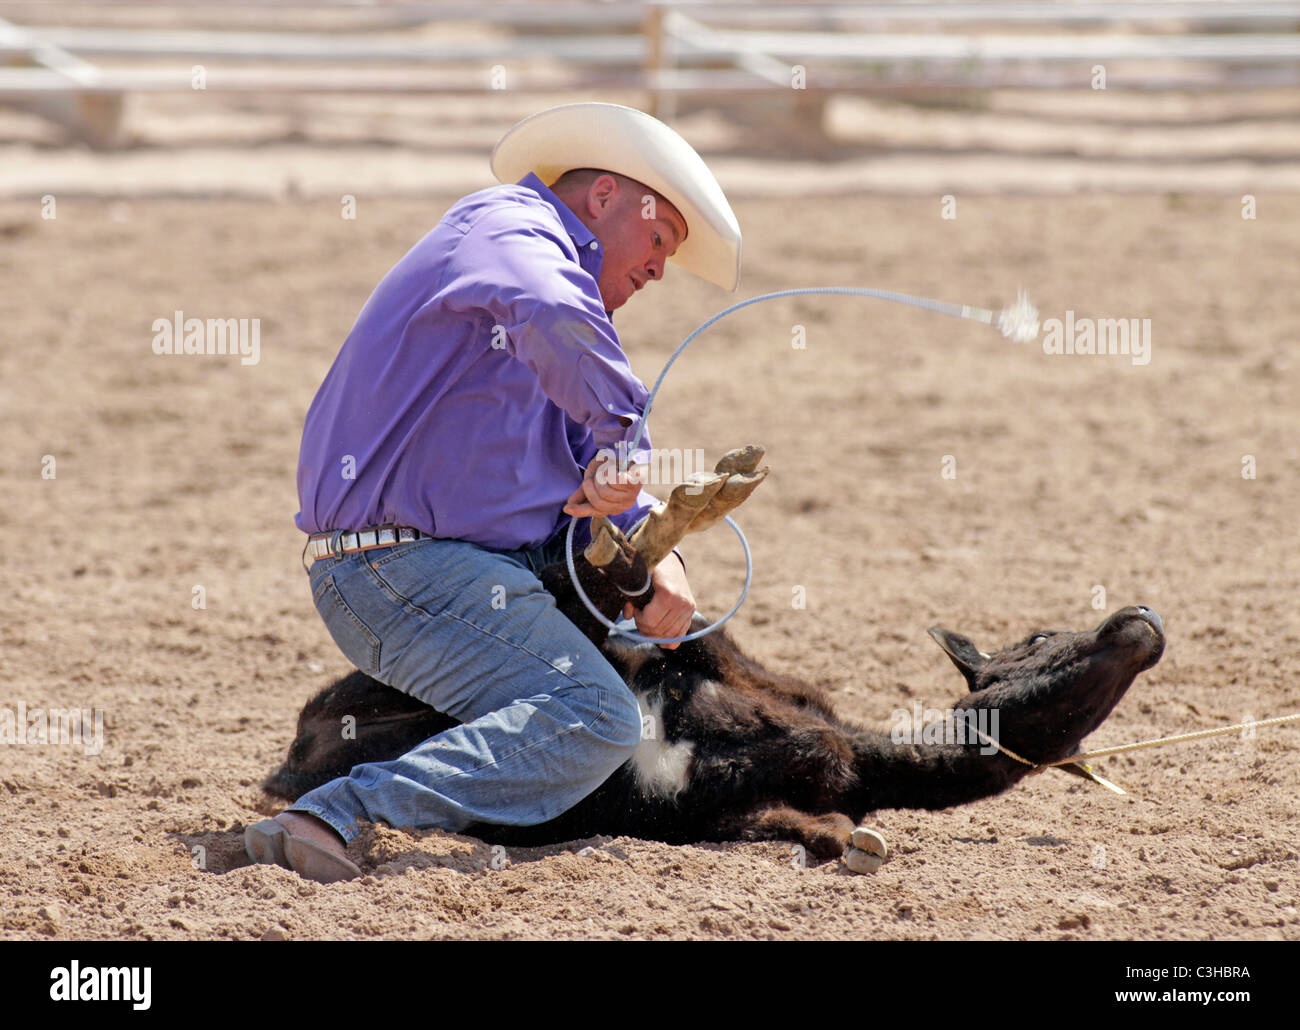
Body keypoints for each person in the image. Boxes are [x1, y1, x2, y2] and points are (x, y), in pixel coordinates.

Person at [245, 102, 742, 883]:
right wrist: (624, 439)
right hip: (398, 569)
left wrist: (658, 551)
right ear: (603, 196)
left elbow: (594, 470)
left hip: (442, 567)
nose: (657, 270)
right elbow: (555, 318)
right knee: (597, 717)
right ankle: (341, 812)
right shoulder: (506, 226)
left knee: (626, 681)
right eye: (658, 241)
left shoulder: (557, 328)